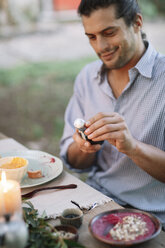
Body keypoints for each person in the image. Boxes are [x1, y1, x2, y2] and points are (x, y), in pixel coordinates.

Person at [60, 0, 165, 227]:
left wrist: (132, 147)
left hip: (152, 217)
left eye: (109, 33)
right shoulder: (87, 78)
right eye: (92, 37)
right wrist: (84, 146)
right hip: (94, 202)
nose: (101, 46)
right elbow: (73, 161)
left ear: (137, 22)